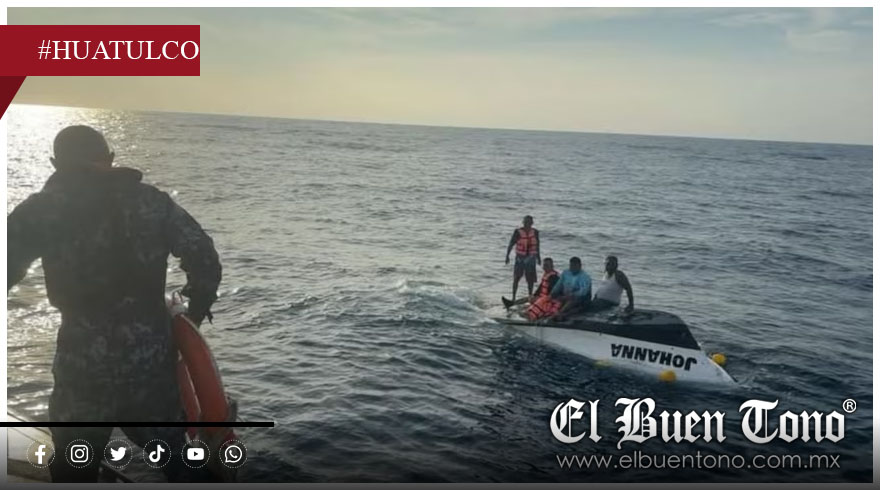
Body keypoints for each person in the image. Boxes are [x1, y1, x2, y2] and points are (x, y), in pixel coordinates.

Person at [7, 125, 222, 483]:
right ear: (109, 159)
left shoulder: (42, 210)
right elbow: (205, 261)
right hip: (150, 364)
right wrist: (193, 317)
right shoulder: (153, 203)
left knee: (74, 466)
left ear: (55, 163)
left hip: (82, 367)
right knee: (179, 462)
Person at [504, 215, 540, 302]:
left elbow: (537, 245)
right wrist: (507, 256)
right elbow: (511, 244)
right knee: (516, 278)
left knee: (530, 280)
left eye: (529, 222)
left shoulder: (535, 232)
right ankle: (513, 298)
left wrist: (539, 257)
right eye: (526, 222)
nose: (527, 224)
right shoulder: (517, 232)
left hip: (531, 258)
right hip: (520, 258)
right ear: (523, 222)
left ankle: (530, 296)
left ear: (532, 223)